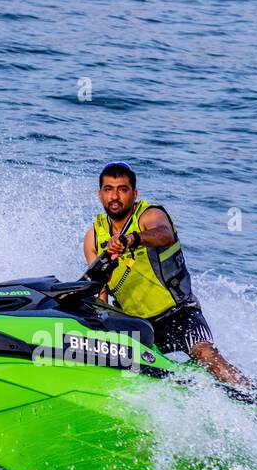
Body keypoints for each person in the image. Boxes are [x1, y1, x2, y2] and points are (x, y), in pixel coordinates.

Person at [83, 162, 248, 386]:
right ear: (100, 194)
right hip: (137, 325)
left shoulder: (149, 215)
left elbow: (164, 234)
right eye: (108, 189)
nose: (115, 196)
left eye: (122, 189)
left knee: (206, 354)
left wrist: (130, 239)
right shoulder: (93, 238)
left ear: (134, 193)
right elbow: (100, 295)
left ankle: (256, 400)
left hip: (179, 314)